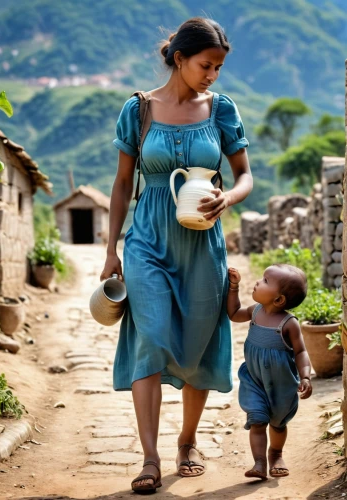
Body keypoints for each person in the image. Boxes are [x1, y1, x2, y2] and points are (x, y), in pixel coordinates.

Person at [100, 17, 253, 493]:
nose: (213, 74)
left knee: (197, 341)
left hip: (203, 244)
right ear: (180, 58)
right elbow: (124, 183)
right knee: (150, 336)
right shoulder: (139, 109)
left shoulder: (221, 110)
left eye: (219, 68)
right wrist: (111, 251)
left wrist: (227, 198)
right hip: (146, 241)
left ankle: (188, 440)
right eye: (207, 65)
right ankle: (149, 457)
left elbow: (245, 175)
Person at [227, 264, 312, 481]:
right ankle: (259, 462)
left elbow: (301, 351)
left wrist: (305, 376)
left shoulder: (288, 323)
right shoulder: (255, 312)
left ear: (279, 300)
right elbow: (234, 314)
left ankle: (276, 454)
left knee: (278, 423)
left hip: (281, 383)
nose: (258, 282)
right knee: (257, 420)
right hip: (254, 379)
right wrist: (233, 287)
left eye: (265, 281)